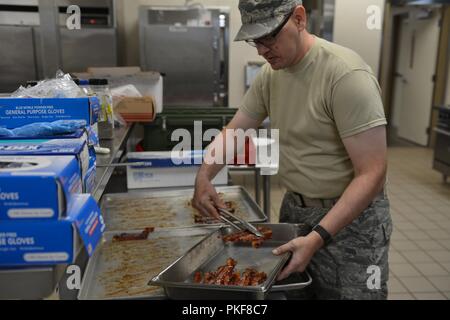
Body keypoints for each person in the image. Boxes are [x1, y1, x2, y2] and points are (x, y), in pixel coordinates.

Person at [192, 0, 392, 300]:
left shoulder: (346, 75)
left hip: (351, 224)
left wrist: (319, 237)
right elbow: (235, 131)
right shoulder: (271, 76)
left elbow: (373, 173)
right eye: (255, 40)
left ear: (299, 19)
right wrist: (204, 176)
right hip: (296, 214)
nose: (261, 49)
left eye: (269, 36)